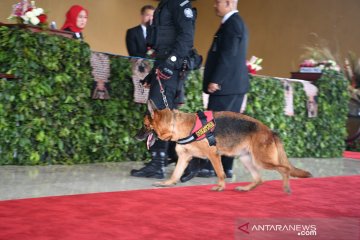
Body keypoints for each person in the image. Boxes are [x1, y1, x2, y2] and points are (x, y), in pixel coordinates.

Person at [181, 0, 250, 181]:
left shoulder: (232, 24)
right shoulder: (235, 22)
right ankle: (225, 168)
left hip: (225, 86)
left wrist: (216, 80)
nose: (214, 5)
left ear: (228, 2)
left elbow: (228, 54)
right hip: (232, 86)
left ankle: (212, 167)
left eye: (218, 2)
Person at [130, 0, 196, 179]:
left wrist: (171, 62)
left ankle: (160, 165)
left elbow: (186, 37)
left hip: (171, 68)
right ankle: (173, 162)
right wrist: (153, 75)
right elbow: (164, 46)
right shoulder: (166, 4)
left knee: (160, 115)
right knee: (161, 115)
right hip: (164, 65)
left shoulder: (179, 5)